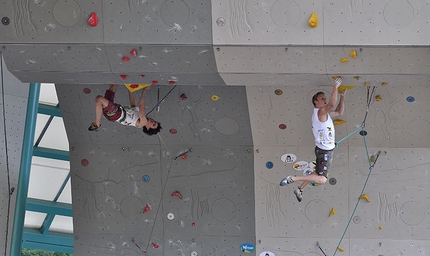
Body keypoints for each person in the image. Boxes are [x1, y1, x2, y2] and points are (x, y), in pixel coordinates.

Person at [280, 77, 345, 202]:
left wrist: (342, 96)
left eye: (325, 98)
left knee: (318, 174)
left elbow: (339, 112)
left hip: (324, 150)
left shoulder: (323, 114)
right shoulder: (320, 112)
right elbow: (332, 104)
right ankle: (292, 179)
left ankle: (300, 189)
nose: (325, 100)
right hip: (325, 151)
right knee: (322, 179)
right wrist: (335, 87)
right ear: (316, 102)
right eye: (322, 99)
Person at [88, 84, 162, 135]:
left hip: (116, 113)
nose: (153, 121)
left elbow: (141, 106)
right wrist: (129, 87)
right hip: (114, 112)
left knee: (99, 99)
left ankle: (97, 123)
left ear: (148, 128)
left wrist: (145, 90)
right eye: (155, 122)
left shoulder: (143, 123)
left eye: (153, 124)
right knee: (114, 85)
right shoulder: (138, 118)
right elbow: (133, 103)